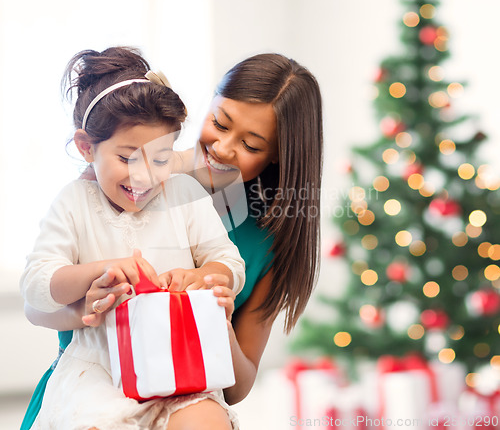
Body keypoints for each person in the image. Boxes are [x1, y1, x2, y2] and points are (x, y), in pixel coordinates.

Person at [22, 51, 324, 428]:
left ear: (279, 155)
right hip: (93, 383)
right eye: (220, 122)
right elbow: (36, 300)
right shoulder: (107, 181)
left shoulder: (259, 235)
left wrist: (214, 306)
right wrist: (91, 305)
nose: (224, 148)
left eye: (251, 145)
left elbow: (237, 384)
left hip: (185, 387)